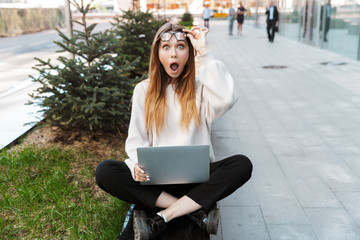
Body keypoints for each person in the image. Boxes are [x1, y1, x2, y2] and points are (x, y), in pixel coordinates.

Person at [95, 23, 253, 239]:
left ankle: (162, 217)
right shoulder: (143, 90)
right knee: (106, 170)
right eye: (166, 47)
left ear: (189, 53)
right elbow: (135, 142)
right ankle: (195, 212)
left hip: (196, 183)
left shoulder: (201, 89)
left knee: (242, 164)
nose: (173, 53)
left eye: (180, 46)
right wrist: (135, 167)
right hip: (158, 185)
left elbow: (228, 98)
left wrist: (204, 52)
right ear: (157, 53)